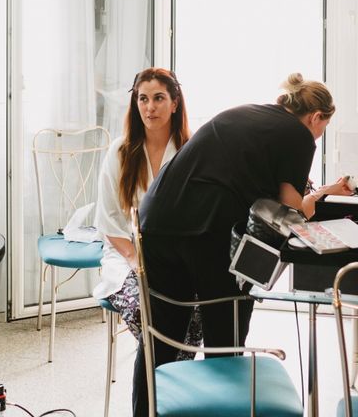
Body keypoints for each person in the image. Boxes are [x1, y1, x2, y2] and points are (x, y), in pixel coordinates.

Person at [133, 72, 353, 415]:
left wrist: (319, 192)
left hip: (156, 222)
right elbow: (291, 209)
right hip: (204, 230)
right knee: (226, 331)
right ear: (316, 118)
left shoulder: (250, 112)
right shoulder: (299, 135)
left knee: (161, 336)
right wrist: (322, 194)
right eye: (323, 127)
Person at [93, 67, 201, 358]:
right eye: (143, 99)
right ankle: (162, 386)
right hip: (126, 254)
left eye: (158, 98)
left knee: (194, 313)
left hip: (177, 257)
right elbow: (109, 221)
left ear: (175, 103)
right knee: (147, 310)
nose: (150, 107)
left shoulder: (190, 152)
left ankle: (167, 385)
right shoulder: (120, 152)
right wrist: (137, 261)